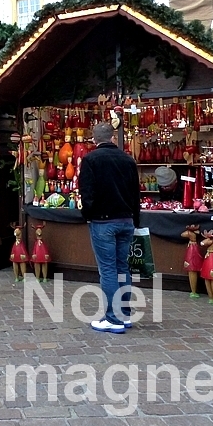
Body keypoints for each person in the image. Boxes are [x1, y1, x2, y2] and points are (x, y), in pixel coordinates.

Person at [78, 122, 141, 334]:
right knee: (122, 267)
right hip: (126, 220)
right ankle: (124, 314)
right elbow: (136, 194)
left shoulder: (90, 160)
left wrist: (87, 215)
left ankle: (113, 318)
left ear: (94, 139)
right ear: (113, 137)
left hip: (103, 221)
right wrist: (135, 219)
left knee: (108, 270)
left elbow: (87, 193)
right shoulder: (128, 160)